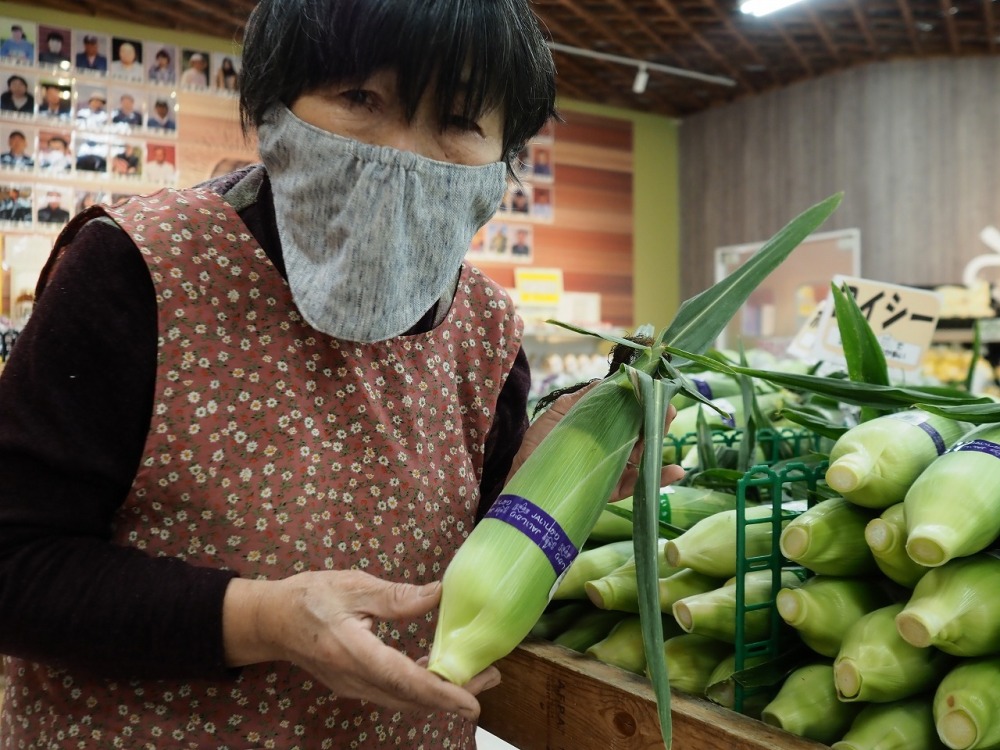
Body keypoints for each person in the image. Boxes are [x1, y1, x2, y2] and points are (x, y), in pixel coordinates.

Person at [0, 1, 683, 747]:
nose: (403, 155)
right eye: (361, 98)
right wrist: (265, 621)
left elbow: (459, 555)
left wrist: (544, 486)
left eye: (458, 120)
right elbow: (16, 562)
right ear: (272, 111)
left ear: (504, 160)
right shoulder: (139, 272)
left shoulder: (487, 334)